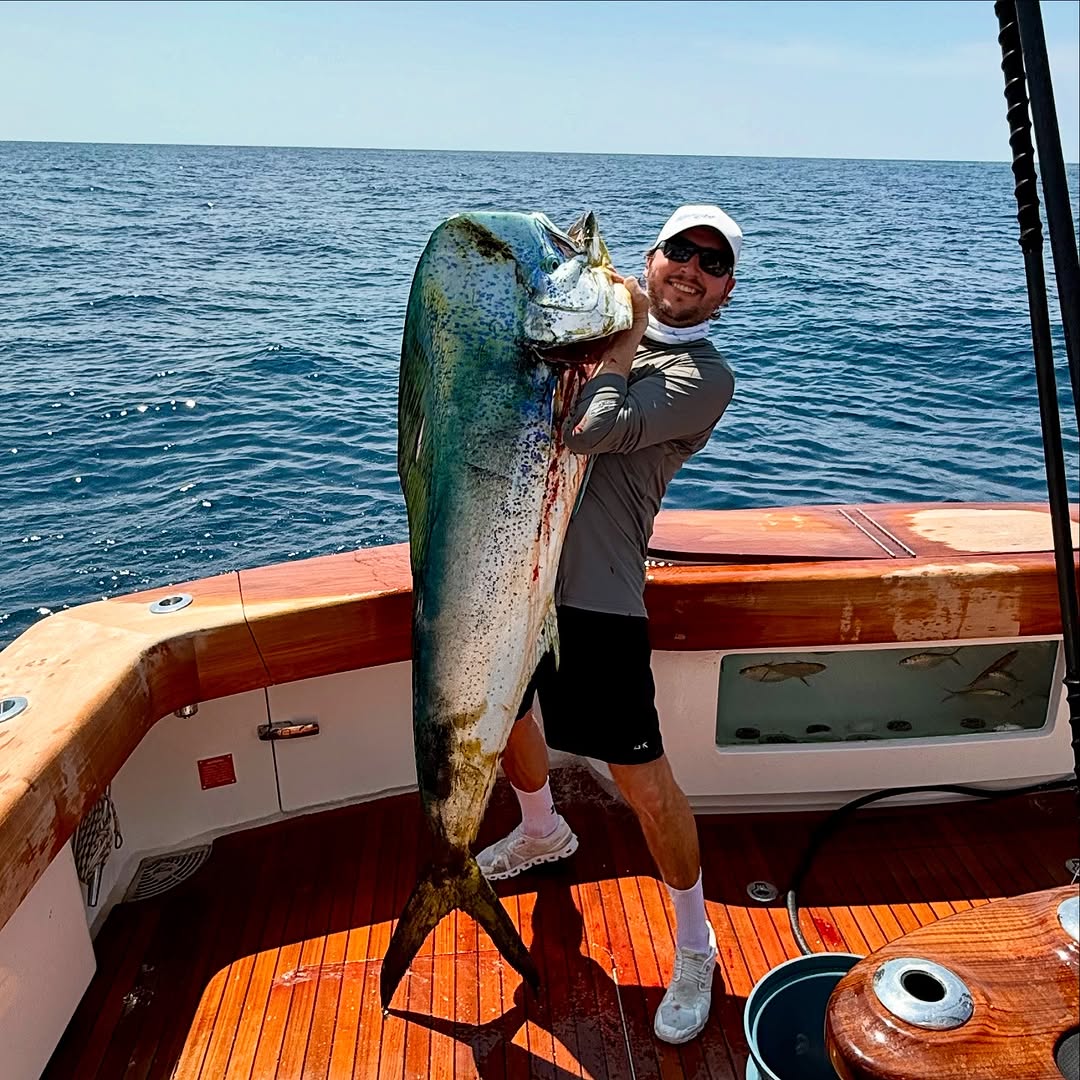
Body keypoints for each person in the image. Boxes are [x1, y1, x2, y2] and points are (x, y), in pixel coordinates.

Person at [476, 204, 742, 1045]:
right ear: (651, 256)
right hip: (518, 575)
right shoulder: (591, 334)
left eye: (712, 263)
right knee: (506, 718)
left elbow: (589, 431)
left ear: (726, 292)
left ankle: (695, 945)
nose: (691, 268)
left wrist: (622, 337)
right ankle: (541, 831)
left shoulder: (701, 376)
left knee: (641, 780)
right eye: (679, 250)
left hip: (597, 595)